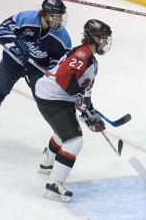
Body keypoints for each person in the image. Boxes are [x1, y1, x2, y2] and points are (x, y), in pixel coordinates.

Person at [0, 0, 71, 145]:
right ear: (44, 14)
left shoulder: (62, 36)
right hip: (11, 63)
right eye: (55, 16)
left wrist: (51, 69)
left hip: (36, 70)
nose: (58, 20)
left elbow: (62, 58)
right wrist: (15, 46)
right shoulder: (26, 18)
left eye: (60, 17)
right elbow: (1, 30)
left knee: (48, 102)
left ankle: (61, 135)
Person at [34, 19, 112, 202]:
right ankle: (54, 185)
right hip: (52, 97)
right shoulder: (83, 55)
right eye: (102, 38)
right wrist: (80, 100)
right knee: (74, 141)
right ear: (93, 37)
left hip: (55, 95)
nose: (105, 42)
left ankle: (47, 163)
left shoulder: (88, 57)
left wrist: (90, 112)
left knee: (64, 134)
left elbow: (82, 89)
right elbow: (64, 78)